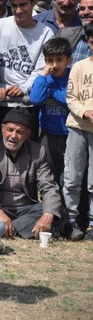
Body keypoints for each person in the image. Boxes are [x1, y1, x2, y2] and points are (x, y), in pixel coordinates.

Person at [0, 0, 54, 141]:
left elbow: (41, 69)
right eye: (14, 6)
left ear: (33, 2)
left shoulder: (46, 33)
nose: (18, 10)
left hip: (27, 104)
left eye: (23, 5)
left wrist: (24, 87)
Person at [0, 108, 62, 239]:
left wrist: (48, 215)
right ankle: (17, 229)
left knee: (55, 211)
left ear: (27, 134)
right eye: (10, 130)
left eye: (19, 132)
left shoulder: (37, 152)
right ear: (2, 129)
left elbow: (49, 186)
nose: (13, 136)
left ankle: (4, 229)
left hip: (25, 209)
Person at [62, 25, 93, 241]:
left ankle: (91, 223)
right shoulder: (80, 67)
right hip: (77, 126)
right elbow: (70, 96)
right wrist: (85, 112)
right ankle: (71, 221)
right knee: (72, 175)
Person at [28, 37, 72, 184]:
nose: (54, 65)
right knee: (49, 171)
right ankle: (52, 204)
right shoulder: (44, 78)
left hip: (70, 134)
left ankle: (69, 206)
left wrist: (52, 92)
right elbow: (35, 99)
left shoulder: (72, 76)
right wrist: (43, 74)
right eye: (50, 60)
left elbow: (69, 98)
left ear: (68, 60)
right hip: (48, 134)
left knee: (68, 174)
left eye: (59, 60)